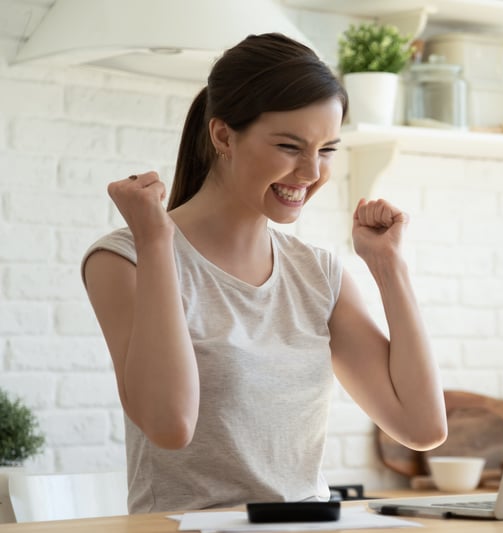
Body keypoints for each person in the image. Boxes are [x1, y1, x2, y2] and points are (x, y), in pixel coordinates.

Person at [81, 33, 447, 514]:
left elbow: (422, 428)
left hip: (310, 525)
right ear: (222, 136)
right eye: (289, 146)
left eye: (327, 149)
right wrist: (155, 243)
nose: (311, 171)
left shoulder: (318, 274)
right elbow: (169, 425)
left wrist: (389, 267)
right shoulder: (125, 258)